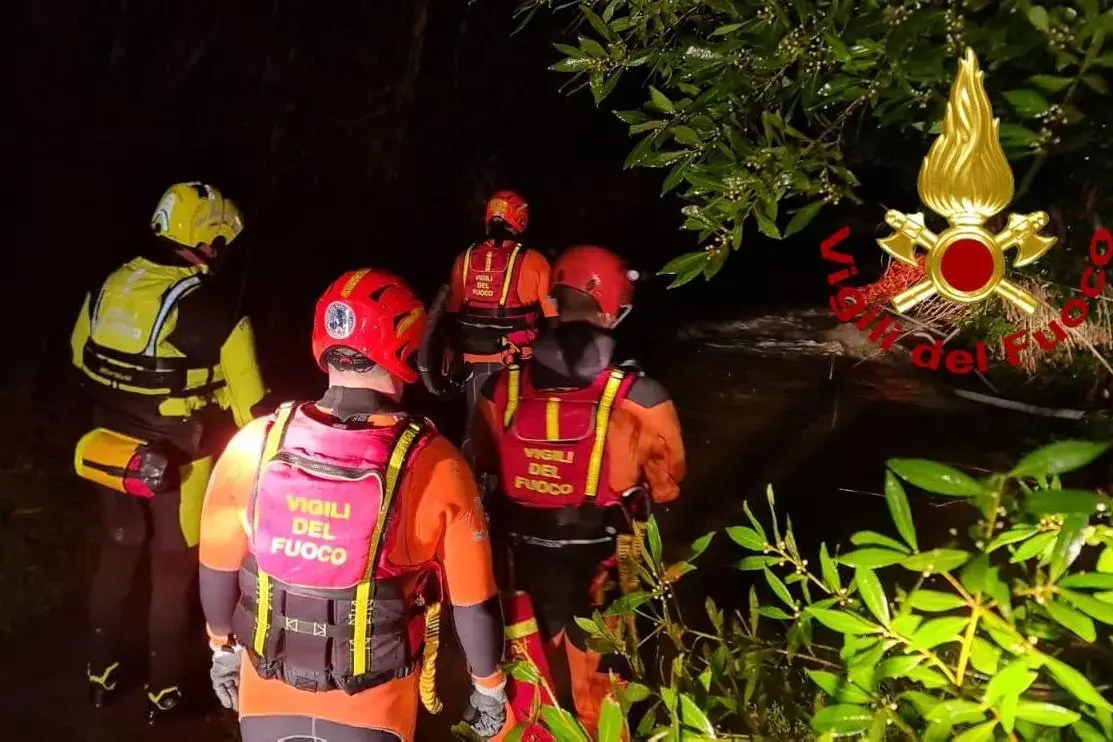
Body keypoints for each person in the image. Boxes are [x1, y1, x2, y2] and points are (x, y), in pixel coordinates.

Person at [197, 268, 511, 742]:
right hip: (373, 712)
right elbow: (475, 606)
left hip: (264, 704)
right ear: (409, 348)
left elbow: (216, 573)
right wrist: (489, 688)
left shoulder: (253, 445)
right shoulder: (436, 464)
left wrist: (222, 650)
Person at [70, 181, 270, 722]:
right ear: (209, 240)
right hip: (181, 462)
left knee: (115, 556)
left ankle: (99, 677)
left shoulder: (109, 284)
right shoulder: (218, 311)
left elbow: (78, 358)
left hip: (106, 449)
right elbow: (254, 410)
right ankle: (165, 694)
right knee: (172, 573)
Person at [469, 245, 686, 735]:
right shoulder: (640, 396)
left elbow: (481, 462)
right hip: (602, 568)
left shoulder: (499, 388)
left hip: (519, 564)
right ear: (608, 305)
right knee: (604, 701)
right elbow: (668, 484)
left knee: (525, 697)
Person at [444, 190, 557, 461]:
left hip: (472, 362)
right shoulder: (536, 261)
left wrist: (451, 354)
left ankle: (471, 488)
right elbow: (553, 320)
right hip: (518, 362)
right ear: (520, 219)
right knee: (516, 430)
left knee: (475, 426)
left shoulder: (464, 259)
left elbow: (450, 315)